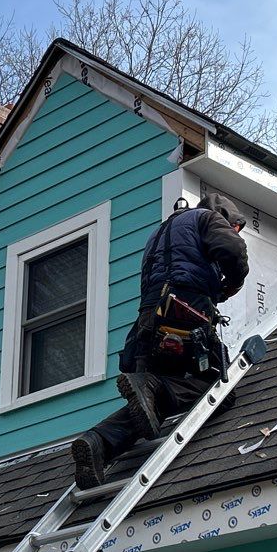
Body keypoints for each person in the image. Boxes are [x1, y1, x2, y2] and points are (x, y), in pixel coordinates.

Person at [70, 192, 249, 489]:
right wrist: (232, 283)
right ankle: (152, 385)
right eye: (235, 226)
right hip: (185, 310)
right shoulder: (208, 218)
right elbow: (233, 251)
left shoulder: (159, 233)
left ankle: (98, 443)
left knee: (151, 404)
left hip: (150, 320)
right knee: (220, 386)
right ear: (224, 216)